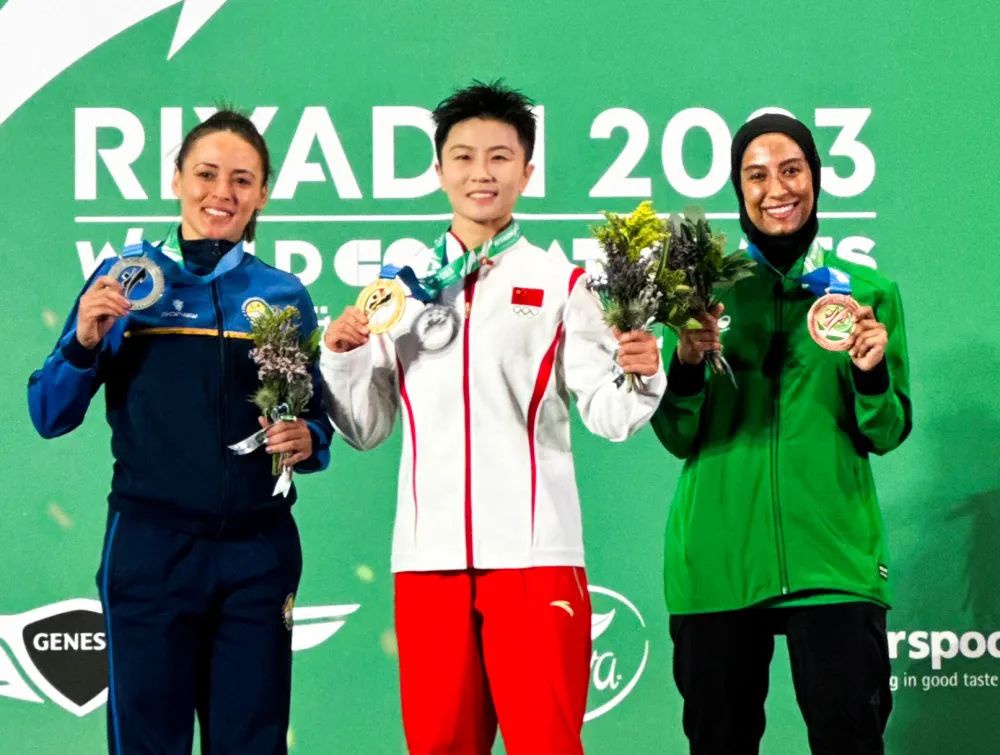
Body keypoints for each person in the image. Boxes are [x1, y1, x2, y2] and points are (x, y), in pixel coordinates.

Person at [320, 81, 664, 755]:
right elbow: (366, 428)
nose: (482, 173)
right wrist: (343, 358)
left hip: (535, 560)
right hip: (428, 561)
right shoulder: (399, 290)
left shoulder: (562, 284)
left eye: (500, 157)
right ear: (439, 170)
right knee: (440, 746)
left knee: (547, 745)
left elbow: (609, 414)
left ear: (527, 172)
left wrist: (642, 371)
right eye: (464, 157)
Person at [28, 110, 333, 754]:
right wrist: (84, 341)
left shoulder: (284, 294)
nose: (222, 192)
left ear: (263, 194)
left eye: (242, 180)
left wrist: (310, 439)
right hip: (151, 549)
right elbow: (49, 413)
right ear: (176, 180)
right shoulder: (126, 282)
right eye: (206, 174)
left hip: (258, 554)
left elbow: (315, 421)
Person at [652, 113, 912, 755]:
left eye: (791, 170)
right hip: (718, 561)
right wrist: (686, 362)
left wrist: (871, 373)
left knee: (851, 741)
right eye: (757, 175)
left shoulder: (867, 294)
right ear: (738, 189)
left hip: (833, 562)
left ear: (816, 179)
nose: (777, 189)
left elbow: (886, 431)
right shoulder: (698, 296)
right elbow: (677, 433)